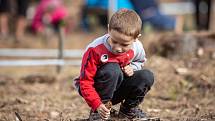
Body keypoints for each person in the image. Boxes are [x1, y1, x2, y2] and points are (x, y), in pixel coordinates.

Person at [73, 9, 154, 120]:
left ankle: (128, 110)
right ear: (108, 30)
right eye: (114, 41)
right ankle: (99, 112)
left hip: (119, 85)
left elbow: (139, 62)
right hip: (97, 91)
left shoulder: (137, 47)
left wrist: (132, 68)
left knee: (146, 76)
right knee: (113, 69)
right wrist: (97, 104)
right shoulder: (95, 49)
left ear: (136, 38)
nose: (117, 48)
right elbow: (85, 82)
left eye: (124, 44)